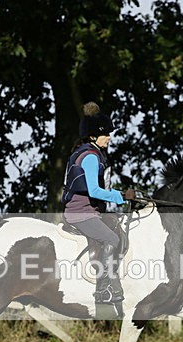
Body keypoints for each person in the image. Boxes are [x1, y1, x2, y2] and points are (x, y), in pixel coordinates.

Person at [62, 102, 136, 304]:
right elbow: (94, 191)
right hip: (81, 213)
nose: (110, 137)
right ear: (93, 136)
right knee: (111, 239)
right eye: (106, 134)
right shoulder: (91, 157)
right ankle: (102, 291)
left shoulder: (90, 153)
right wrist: (122, 197)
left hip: (88, 211)